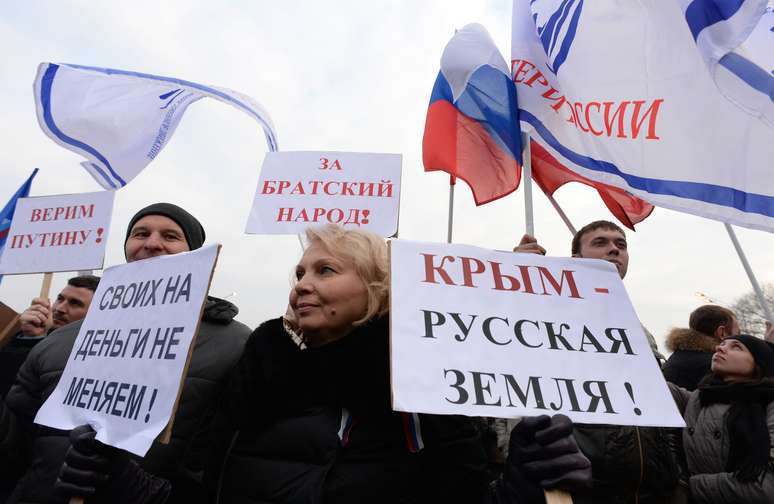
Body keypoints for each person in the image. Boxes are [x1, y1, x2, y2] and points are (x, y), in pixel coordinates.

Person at [56, 224, 592, 503]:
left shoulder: (421, 386)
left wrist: (523, 485)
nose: (304, 284)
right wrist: (119, 484)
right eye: (299, 272)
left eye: (326, 269)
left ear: (377, 289)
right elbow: (199, 489)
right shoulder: (256, 371)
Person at [0, 203, 251, 503]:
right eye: (140, 233)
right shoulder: (59, 341)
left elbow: (228, 472)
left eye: (170, 236)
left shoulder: (234, 344)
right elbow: (13, 446)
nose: (152, 243)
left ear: (193, 252)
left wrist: (140, 488)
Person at [514, 220, 679, 503]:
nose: (614, 249)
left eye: (621, 244)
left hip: (653, 490)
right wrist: (516, 280)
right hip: (583, 486)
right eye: (601, 243)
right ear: (576, 259)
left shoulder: (638, 329)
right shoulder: (549, 311)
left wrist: (677, 478)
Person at [669, 335, 774, 503]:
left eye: (736, 347)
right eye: (722, 344)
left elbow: (767, 488)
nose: (720, 348)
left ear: (759, 363)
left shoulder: (769, 404)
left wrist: (690, 487)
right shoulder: (700, 397)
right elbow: (655, 384)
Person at [0, 275, 99, 397]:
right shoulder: (23, 335)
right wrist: (30, 339)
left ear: (96, 311)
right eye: (60, 299)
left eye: (75, 303)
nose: (60, 308)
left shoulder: (92, 357)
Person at [663, 305, 739, 390]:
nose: (740, 338)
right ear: (722, 333)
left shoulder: (676, 358)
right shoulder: (716, 365)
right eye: (738, 332)